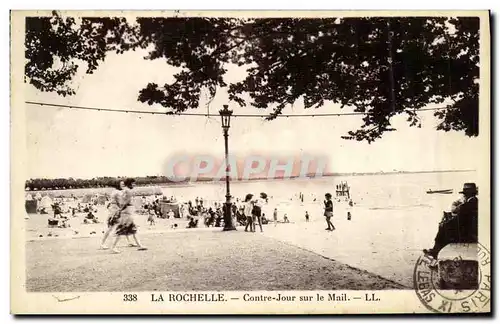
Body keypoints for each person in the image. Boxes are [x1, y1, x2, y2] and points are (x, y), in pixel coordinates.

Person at [423, 183, 478, 259]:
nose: (464, 196)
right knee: (445, 226)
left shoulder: (469, 204)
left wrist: (446, 223)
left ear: (467, 194)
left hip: (466, 233)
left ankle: (436, 251)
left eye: (465, 194)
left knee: (443, 228)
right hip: (468, 229)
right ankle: (436, 250)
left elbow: (458, 212)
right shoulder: (472, 202)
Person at [110, 178, 147, 253]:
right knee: (121, 230)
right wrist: (121, 209)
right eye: (133, 183)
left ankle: (140, 245)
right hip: (127, 212)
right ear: (130, 183)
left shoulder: (124, 191)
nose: (134, 185)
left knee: (133, 229)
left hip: (127, 211)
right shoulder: (128, 191)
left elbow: (122, 201)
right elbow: (125, 202)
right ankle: (113, 247)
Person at [100, 180, 125, 249]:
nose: (123, 185)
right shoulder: (118, 193)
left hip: (113, 211)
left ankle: (103, 243)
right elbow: (120, 203)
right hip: (116, 212)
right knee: (117, 228)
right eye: (122, 184)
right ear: (118, 185)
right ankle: (113, 246)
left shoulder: (114, 192)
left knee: (111, 228)